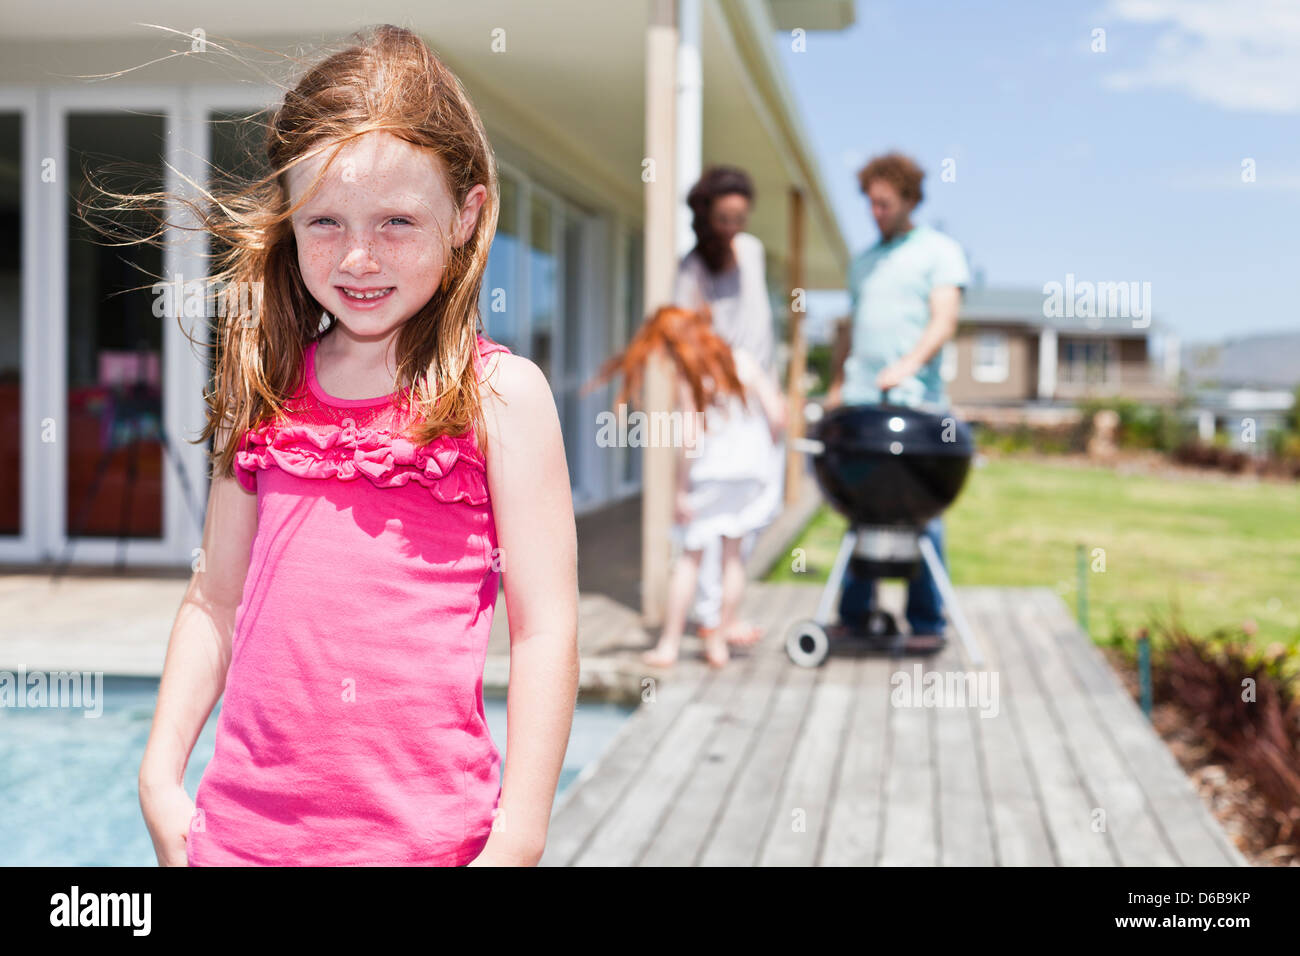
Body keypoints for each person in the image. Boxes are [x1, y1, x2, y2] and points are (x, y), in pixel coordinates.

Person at [130, 25, 578, 866]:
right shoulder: (261, 386)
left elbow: (546, 628)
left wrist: (518, 836)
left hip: (429, 845)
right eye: (325, 220)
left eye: (399, 220)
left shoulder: (498, 398)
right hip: (240, 842)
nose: (360, 256)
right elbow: (213, 599)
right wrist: (159, 778)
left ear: (466, 216)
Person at [826, 152, 970, 653]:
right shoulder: (863, 262)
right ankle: (854, 613)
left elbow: (944, 320)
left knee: (920, 514)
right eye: (870, 203)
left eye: (885, 203)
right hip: (864, 407)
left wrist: (908, 363)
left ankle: (927, 621)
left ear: (909, 199)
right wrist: (836, 386)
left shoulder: (940, 252)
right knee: (860, 508)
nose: (876, 211)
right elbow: (851, 328)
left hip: (918, 409)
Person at [591, 305, 786, 668]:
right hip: (750, 472)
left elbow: (690, 437)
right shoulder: (743, 360)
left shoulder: (690, 371)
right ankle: (719, 642)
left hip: (711, 473)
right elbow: (778, 415)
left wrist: (681, 491)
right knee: (733, 559)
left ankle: (669, 646)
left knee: (690, 559)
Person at [673, 166, 783, 648]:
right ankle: (711, 619)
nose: (735, 226)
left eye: (742, 216)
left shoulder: (754, 252)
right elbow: (685, 352)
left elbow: (760, 332)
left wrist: (771, 396)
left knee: (750, 516)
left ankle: (719, 617)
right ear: (706, 218)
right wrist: (691, 413)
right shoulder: (692, 270)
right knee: (709, 529)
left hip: (760, 397)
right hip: (720, 401)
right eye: (725, 218)